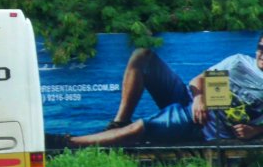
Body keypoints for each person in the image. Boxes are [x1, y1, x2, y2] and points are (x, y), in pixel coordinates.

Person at [62, 34, 263, 148]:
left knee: (139, 129)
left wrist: (255, 130)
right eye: (260, 47)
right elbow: (199, 80)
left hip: (201, 126)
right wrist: (199, 98)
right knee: (142, 56)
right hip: (190, 100)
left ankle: (70, 142)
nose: (261, 53)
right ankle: (119, 121)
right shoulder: (238, 61)